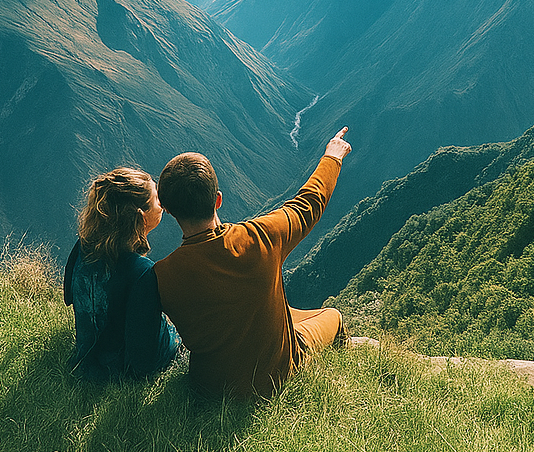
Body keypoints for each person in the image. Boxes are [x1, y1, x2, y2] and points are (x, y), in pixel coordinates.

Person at [153, 127, 352, 398]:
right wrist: (332, 156)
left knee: (289, 313)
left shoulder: (163, 275)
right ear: (218, 200)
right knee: (334, 316)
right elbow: (309, 204)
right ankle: (339, 378)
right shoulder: (262, 237)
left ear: (168, 209)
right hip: (276, 377)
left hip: (210, 389)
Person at [63, 167, 180, 382]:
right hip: (119, 374)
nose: (161, 204)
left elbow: (70, 298)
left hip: (87, 360)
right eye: (156, 200)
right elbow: (145, 357)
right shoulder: (142, 272)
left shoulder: (82, 248)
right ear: (141, 217)